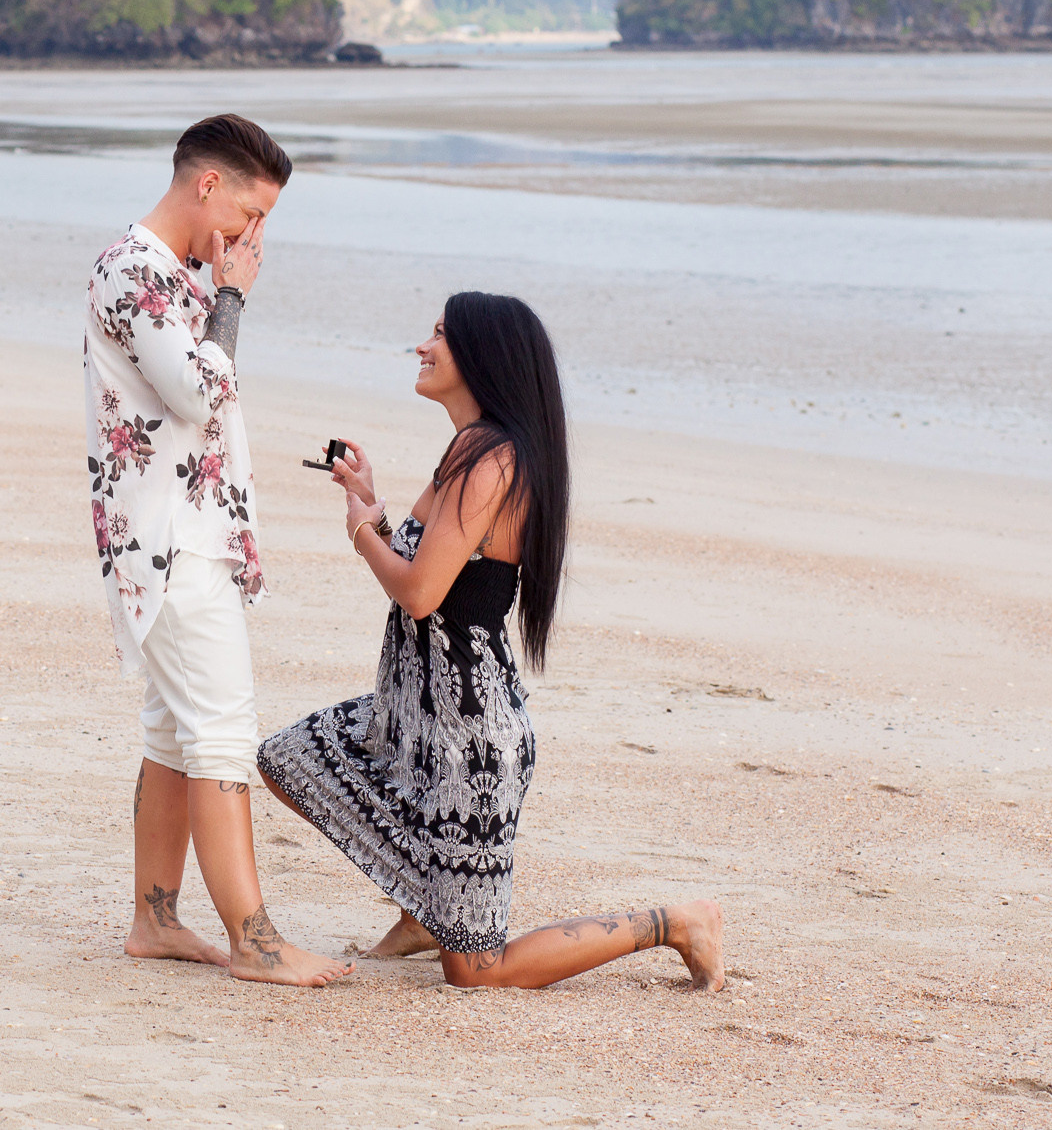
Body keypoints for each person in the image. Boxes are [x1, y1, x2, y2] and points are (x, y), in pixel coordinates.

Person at [257, 292, 725, 990]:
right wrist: (370, 505)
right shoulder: (469, 451)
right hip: (412, 719)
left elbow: (419, 592)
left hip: (469, 744)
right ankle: (428, 906)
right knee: (290, 759)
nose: (422, 346)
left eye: (440, 335)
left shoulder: (491, 461)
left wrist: (358, 536)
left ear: (482, 355)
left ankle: (677, 922)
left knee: (477, 971)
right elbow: (423, 565)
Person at [84, 113, 351, 988]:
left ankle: (155, 919)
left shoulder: (168, 272)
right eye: (251, 214)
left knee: (173, 731)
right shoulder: (135, 270)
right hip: (171, 542)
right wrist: (233, 296)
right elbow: (199, 394)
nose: (252, 237)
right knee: (222, 733)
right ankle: (255, 942)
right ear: (208, 186)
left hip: (185, 533)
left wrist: (219, 290)